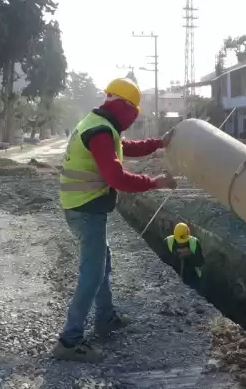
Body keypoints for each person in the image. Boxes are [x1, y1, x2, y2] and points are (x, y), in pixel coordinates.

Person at [53, 77, 177, 363]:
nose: (133, 119)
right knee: (93, 273)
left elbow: (126, 147)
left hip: (82, 206)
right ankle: (69, 341)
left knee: (102, 262)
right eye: (133, 112)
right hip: (86, 209)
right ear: (124, 107)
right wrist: (155, 182)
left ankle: (106, 318)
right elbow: (116, 177)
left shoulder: (100, 124)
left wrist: (159, 143)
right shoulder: (100, 131)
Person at [164, 223, 204, 290]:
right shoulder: (168, 242)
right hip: (173, 275)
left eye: (184, 241)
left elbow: (200, 262)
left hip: (192, 276)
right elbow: (163, 260)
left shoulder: (194, 242)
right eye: (180, 241)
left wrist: (190, 255)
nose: (182, 243)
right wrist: (176, 254)